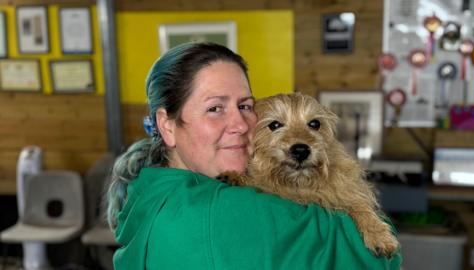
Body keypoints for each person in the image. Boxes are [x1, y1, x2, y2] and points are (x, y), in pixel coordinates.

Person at [106, 42, 402, 269]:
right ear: (167, 125)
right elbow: (379, 258)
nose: (240, 124)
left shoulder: (152, 191)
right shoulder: (222, 212)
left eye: (245, 106)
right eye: (215, 108)